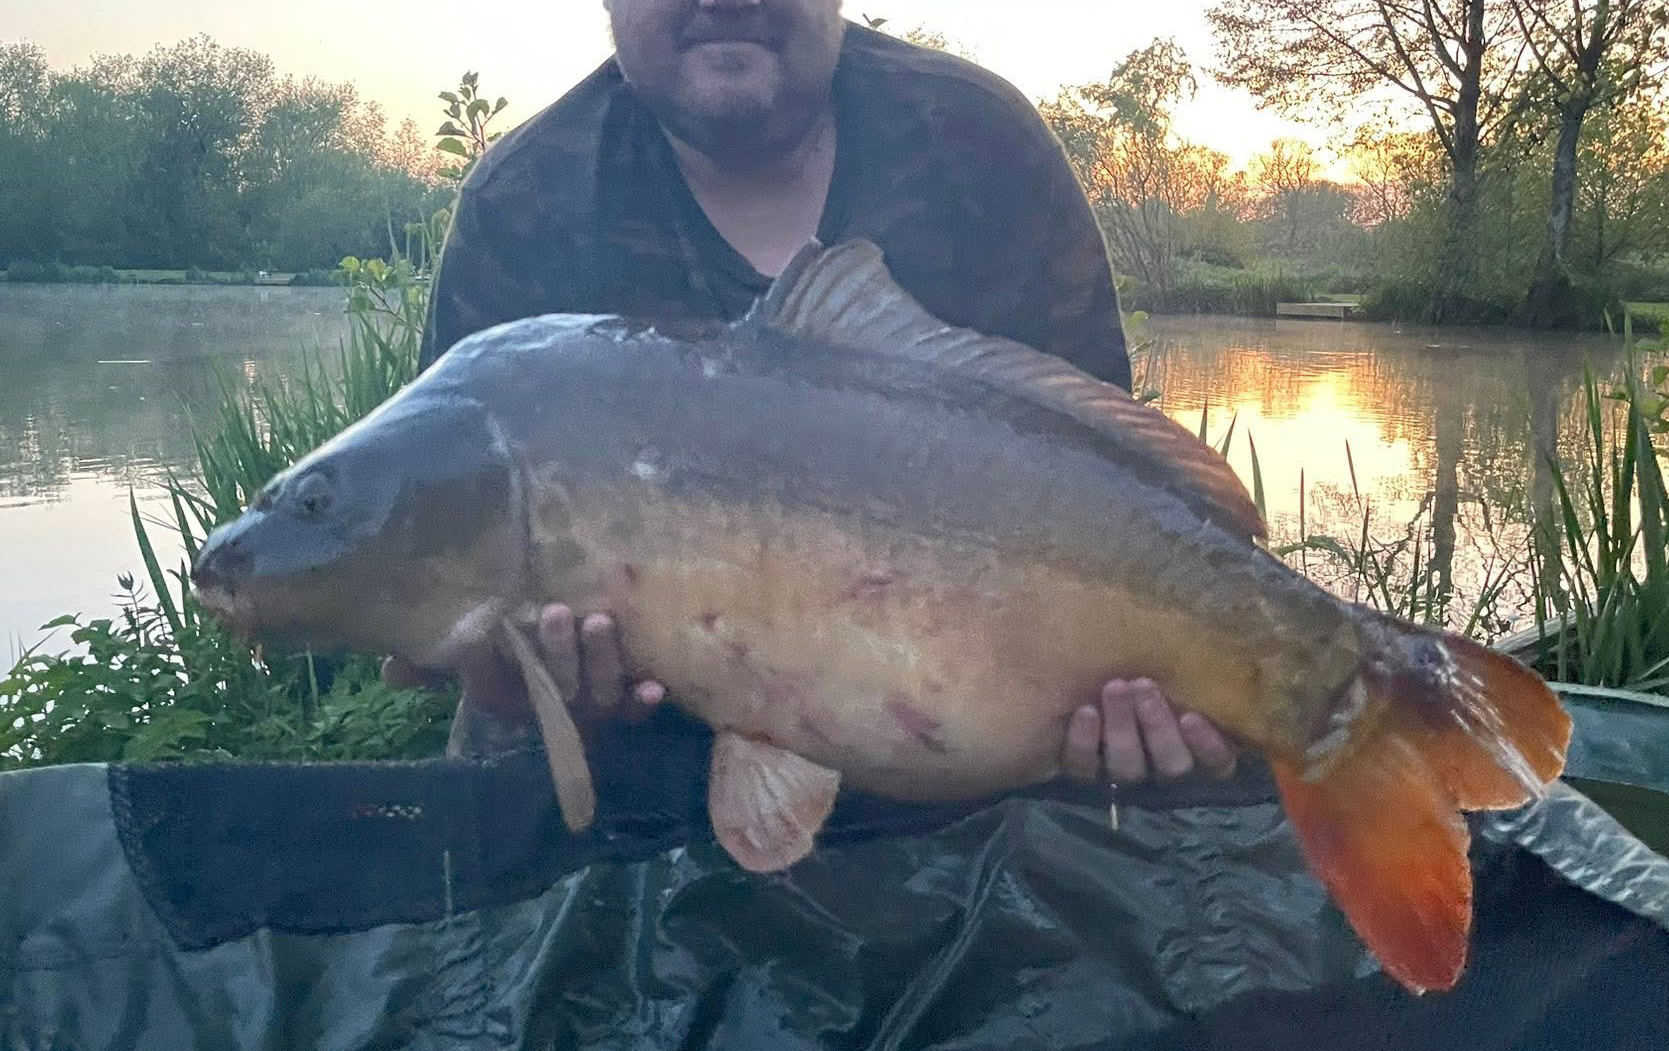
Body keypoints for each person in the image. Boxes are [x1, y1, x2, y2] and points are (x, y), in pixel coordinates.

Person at [384, 0, 1238, 796]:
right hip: (617, 771)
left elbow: (1114, 487)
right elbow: (450, 581)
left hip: (965, 734)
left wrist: (1132, 701)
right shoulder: (525, 204)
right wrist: (513, 678)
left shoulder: (978, 145)